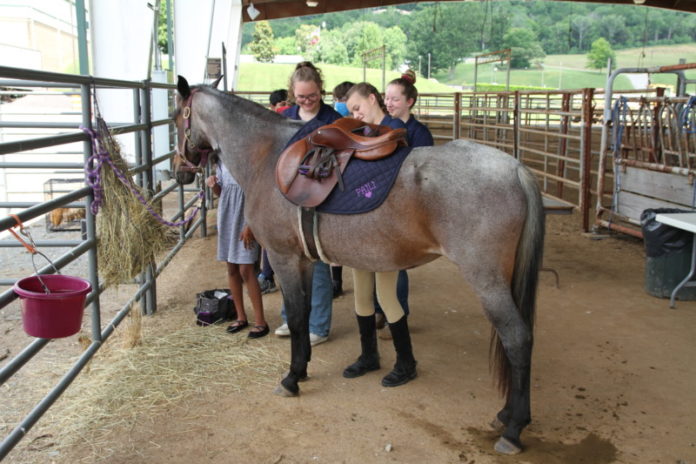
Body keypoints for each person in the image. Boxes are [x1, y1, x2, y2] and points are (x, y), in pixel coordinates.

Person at [342, 83, 417, 387]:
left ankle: (407, 361)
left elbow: (390, 176)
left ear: (372, 99)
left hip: (386, 225)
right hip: (364, 222)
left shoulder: (394, 128)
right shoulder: (366, 130)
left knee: (386, 295)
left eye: (358, 108)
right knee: (361, 294)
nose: (356, 114)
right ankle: (369, 355)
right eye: (352, 112)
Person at [274, 61, 342, 346]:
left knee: (318, 262)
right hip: (287, 197)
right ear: (292, 93)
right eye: (302, 96)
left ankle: (319, 325)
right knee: (287, 261)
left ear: (321, 90)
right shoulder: (284, 117)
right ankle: (291, 318)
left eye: (312, 95)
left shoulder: (330, 118)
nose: (307, 100)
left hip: (320, 195)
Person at [206, 158, 268, 338]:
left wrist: (251, 225)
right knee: (231, 268)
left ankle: (260, 322)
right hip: (227, 218)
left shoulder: (247, 160)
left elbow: (257, 195)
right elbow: (222, 193)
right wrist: (213, 185)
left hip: (245, 220)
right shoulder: (221, 162)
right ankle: (241, 317)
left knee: (246, 270)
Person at [328, 80, 354, 297]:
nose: (339, 104)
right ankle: (336, 281)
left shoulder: (360, 122)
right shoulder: (335, 123)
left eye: (342, 100)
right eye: (336, 100)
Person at [385, 70, 435, 148]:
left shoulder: (420, 133)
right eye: (387, 98)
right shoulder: (382, 126)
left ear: (409, 102)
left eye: (395, 99)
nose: (388, 104)